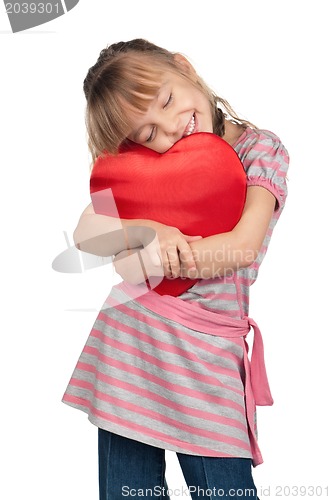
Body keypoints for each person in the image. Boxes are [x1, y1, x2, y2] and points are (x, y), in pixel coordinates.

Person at [62, 39, 289, 500]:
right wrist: (148, 230)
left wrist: (139, 256)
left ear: (183, 67)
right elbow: (87, 232)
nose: (169, 128)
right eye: (146, 133)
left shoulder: (260, 150)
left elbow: (242, 247)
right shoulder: (143, 167)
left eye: (166, 100)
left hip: (209, 357)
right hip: (130, 348)